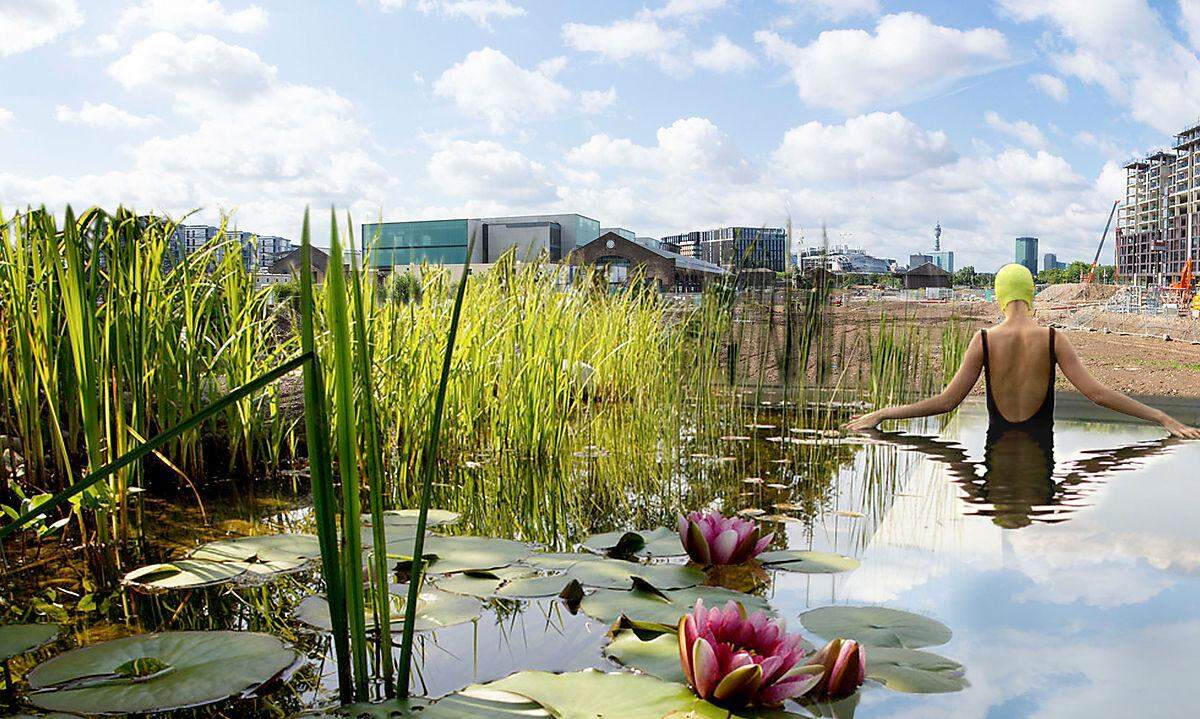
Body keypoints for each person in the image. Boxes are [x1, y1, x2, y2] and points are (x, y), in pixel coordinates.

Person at [845, 263, 1200, 439]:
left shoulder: (983, 339)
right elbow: (1097, 394)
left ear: (999, 296)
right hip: (1040, 456)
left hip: (997, 453)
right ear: (1031, 294)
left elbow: (945, 402)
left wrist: (883, 413)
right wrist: (1162, 417)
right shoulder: (1052, 337)